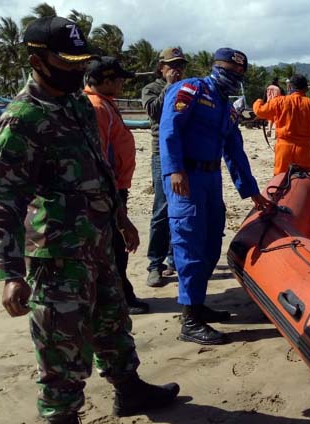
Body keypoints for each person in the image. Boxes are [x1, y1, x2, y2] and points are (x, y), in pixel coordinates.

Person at [0, 17, 179, 424]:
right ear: (37, 59)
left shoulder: (76, 105)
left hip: (99, 240)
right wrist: (9, 272)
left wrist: (121, 219)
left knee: (112, 323)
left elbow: (99, 169)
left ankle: (130, 390)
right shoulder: (23, 119)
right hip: (57, 255)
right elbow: (3, 201)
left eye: (79, 61)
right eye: (67, 61)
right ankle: (61, 415)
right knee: (61, 343)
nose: (76, 69)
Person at [160, 47, 273, 345]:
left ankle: (197, 305)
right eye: (229, 70)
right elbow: (169, 129)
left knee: (211, 242)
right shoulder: (191, 89)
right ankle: (190, 320)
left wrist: (251, 191)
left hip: (211, 179)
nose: (234, 76)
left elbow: (234, 149)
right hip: (186, 178)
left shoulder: (227, 106)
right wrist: (174, 170)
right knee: (190, 243)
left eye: (239, 73)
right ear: (215, 67)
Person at [84, 56, 150, 314]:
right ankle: (120, 298)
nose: (123, 83)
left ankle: (122, 294)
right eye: (120, 79)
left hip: (116, 186)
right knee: (115, 246)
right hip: (108, 189)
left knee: (116, 246)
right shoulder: (97, 107)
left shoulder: (105, 104)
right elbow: (100, 155)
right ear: (107, 80)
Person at [141, 47, 186, 287]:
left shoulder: (187, 88)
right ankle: (154, 264)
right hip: (162, 156)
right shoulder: (152, 89)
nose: (177, 70)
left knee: (181, 208)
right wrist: (169, 86)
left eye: (180, 66)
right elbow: (154, 112)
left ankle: (174, 258)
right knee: (162, 208)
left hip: (184, 154)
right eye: (172, 65)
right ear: (162, 67)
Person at [252, 74, 310, 175]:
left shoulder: (279, 101)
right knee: (306, 180)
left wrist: (259, 100)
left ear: (289, 87)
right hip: (305, 151)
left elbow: (259, 111)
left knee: (281, 180)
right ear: (306, 89)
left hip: (284, 149)